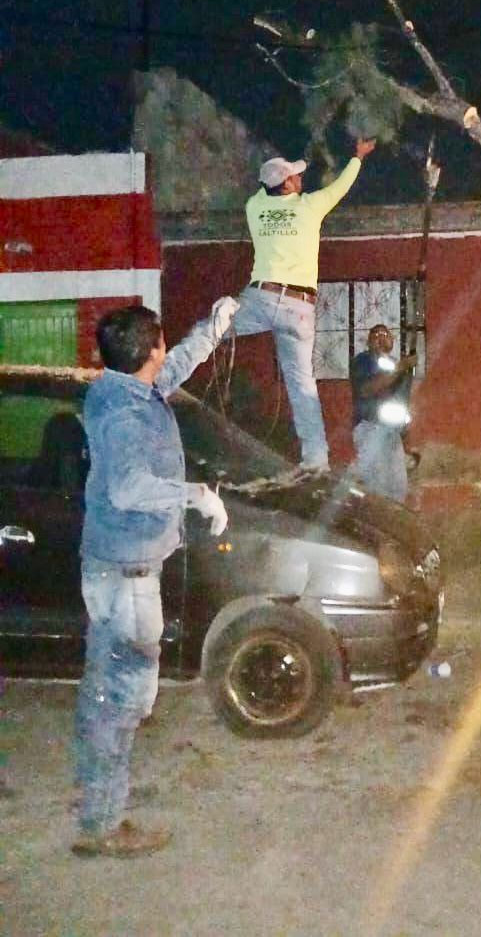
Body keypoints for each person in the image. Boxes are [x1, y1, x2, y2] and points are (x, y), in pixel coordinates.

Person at [72, 299, 237, 858]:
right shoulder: (126, 414)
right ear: (149, 351)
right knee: (123, 697)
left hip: (121, 569)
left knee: (109, 691)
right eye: (162, 341)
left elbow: (178, 364)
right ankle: (103, 822)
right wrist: (197, 496)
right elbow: (128, 488)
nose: (167, 350)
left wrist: (213, 328)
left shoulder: (126, 388)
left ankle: (101, 800)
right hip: (125, 577)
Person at [233, 140, 376, 470]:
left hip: (261, 298)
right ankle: (316, 460)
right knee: (302, 386)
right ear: (286, 185)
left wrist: (274, 180)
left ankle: (165, 373)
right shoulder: (309, 206)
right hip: (297, 306)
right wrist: (357, 157)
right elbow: (340, 187)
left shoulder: (254, 208)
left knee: (212, 329)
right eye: (295, 177)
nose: (301, 179)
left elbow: (263, 192)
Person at [349, 325, 418, 502]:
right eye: (376, 334)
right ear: (368, 341)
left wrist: (406, 441)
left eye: (386, 334)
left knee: (398, 488)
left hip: (393, 433)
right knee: (376, 488)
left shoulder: (397, 366)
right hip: (371, 428)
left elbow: (401, 404)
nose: (382, 337)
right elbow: (366, 389)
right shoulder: (364, 360)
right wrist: (401, 367)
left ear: (392, 341)